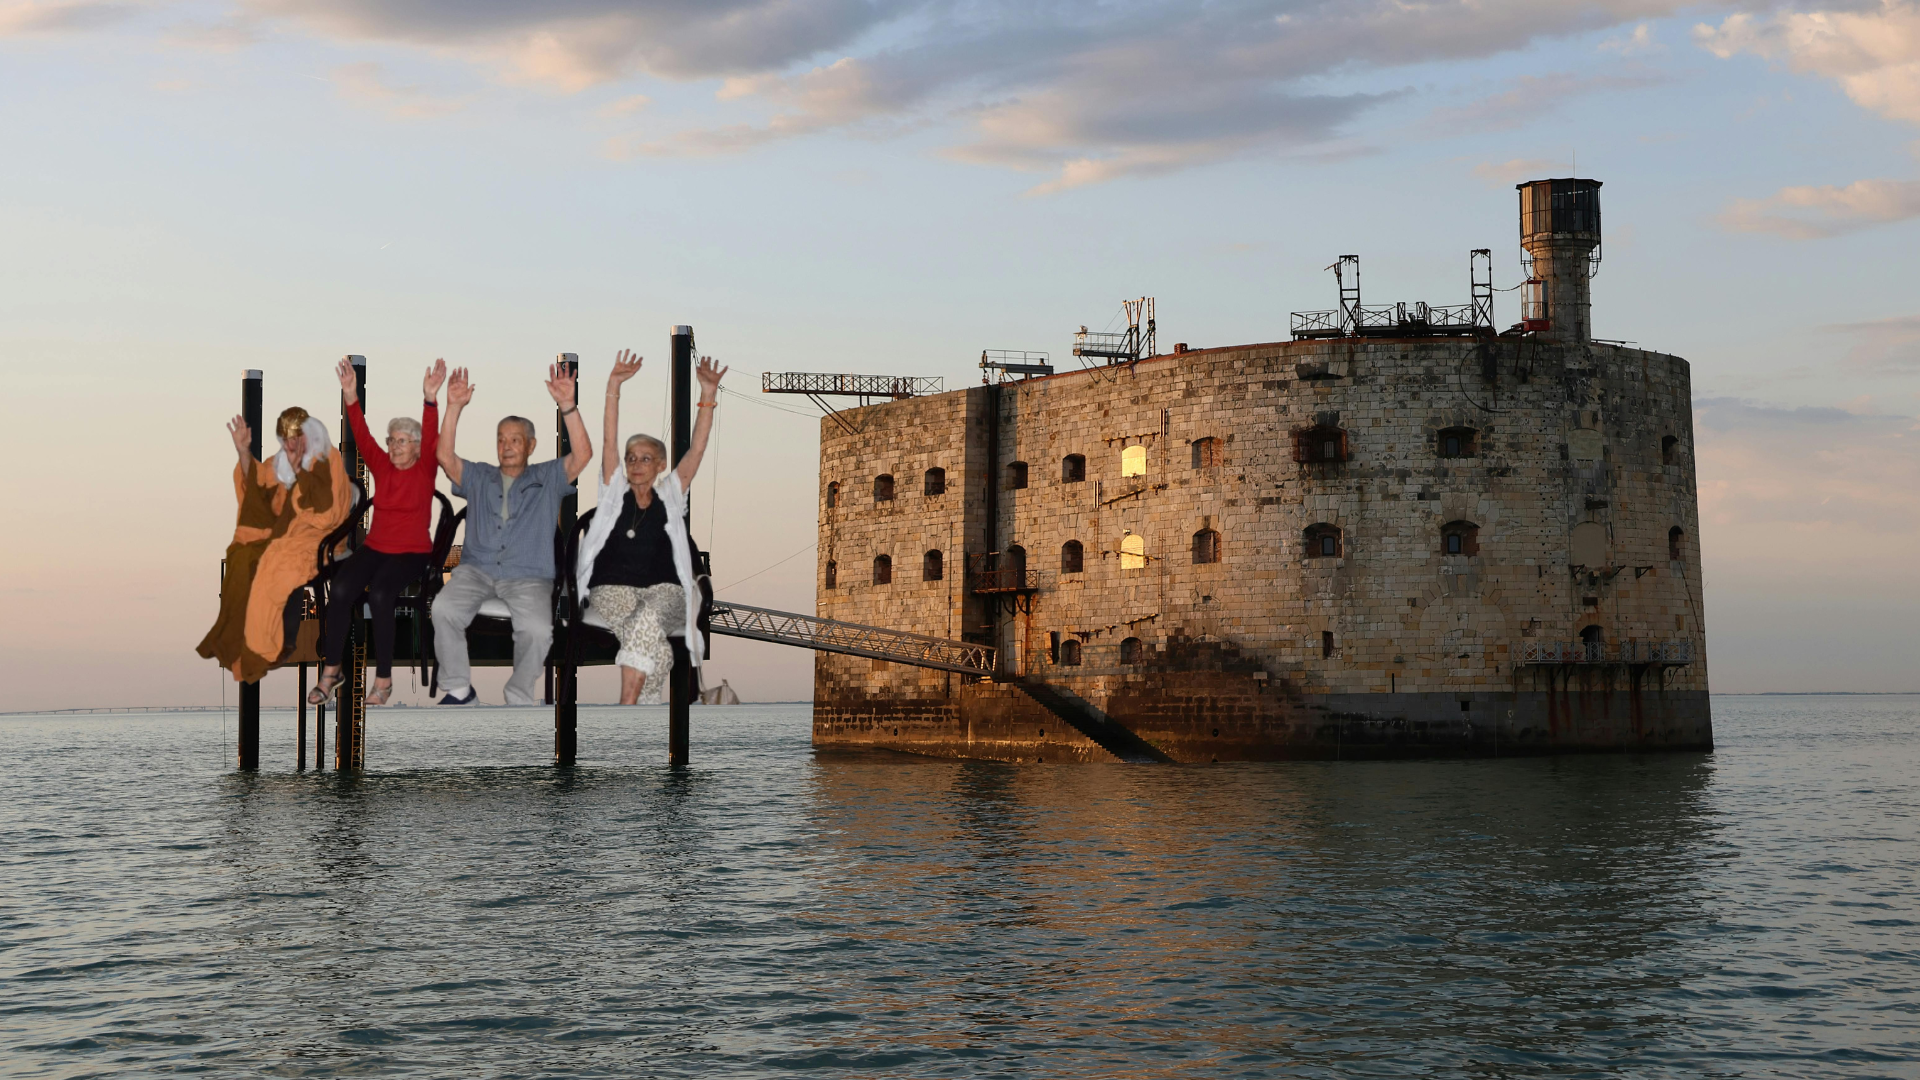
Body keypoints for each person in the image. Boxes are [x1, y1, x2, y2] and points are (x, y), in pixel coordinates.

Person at [431, 363, 593, 705]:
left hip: (528, 577)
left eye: (515, 440)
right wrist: (454, 408)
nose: (506, 446)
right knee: (443, 607)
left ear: (531, 445)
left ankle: (518, 695)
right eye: (501, 439)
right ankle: (460, 690)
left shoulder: (547, 477)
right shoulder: (479, 475)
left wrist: (568, 407)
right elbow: (444, 456)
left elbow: (583, 455)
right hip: (476, 571)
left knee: (537, 630)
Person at [576, 349, 725, 705]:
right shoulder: (614, 494)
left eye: (645, 458)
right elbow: (609, 441)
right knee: (643, 626)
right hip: (615, 589)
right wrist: (613, 386)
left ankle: (634, 708)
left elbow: (697, 451)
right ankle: (637, 706)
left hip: (660, 591)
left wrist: (707, 395)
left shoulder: (670, 496)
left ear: (660, 465)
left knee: (653, 616)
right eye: (631, 459)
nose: (636, 464)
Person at [308, 358, 447, 706]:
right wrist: (350, 395)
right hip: (377, 547)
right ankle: (332, 672)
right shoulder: (383, 466)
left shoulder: (426, 467)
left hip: (413, 552)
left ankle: (383, 680)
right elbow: (362, 435)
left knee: (381, 594)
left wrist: (430, 398)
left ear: (416, 446)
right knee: (340, 588)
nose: (394, 446)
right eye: (392, 440)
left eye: (402, 441)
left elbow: (432, 436)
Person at [197, 405, 351, 683]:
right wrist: (243, 452)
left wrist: (301, 476)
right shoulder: (280, 462)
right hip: (282, 533)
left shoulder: (326, 458)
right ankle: (243, 639)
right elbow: (256, 487)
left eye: (297, 438)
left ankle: (278, 642)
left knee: (280, 560)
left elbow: (328, 510)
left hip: (318, 537)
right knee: (242, 555)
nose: (292, 445)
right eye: (287, 439)